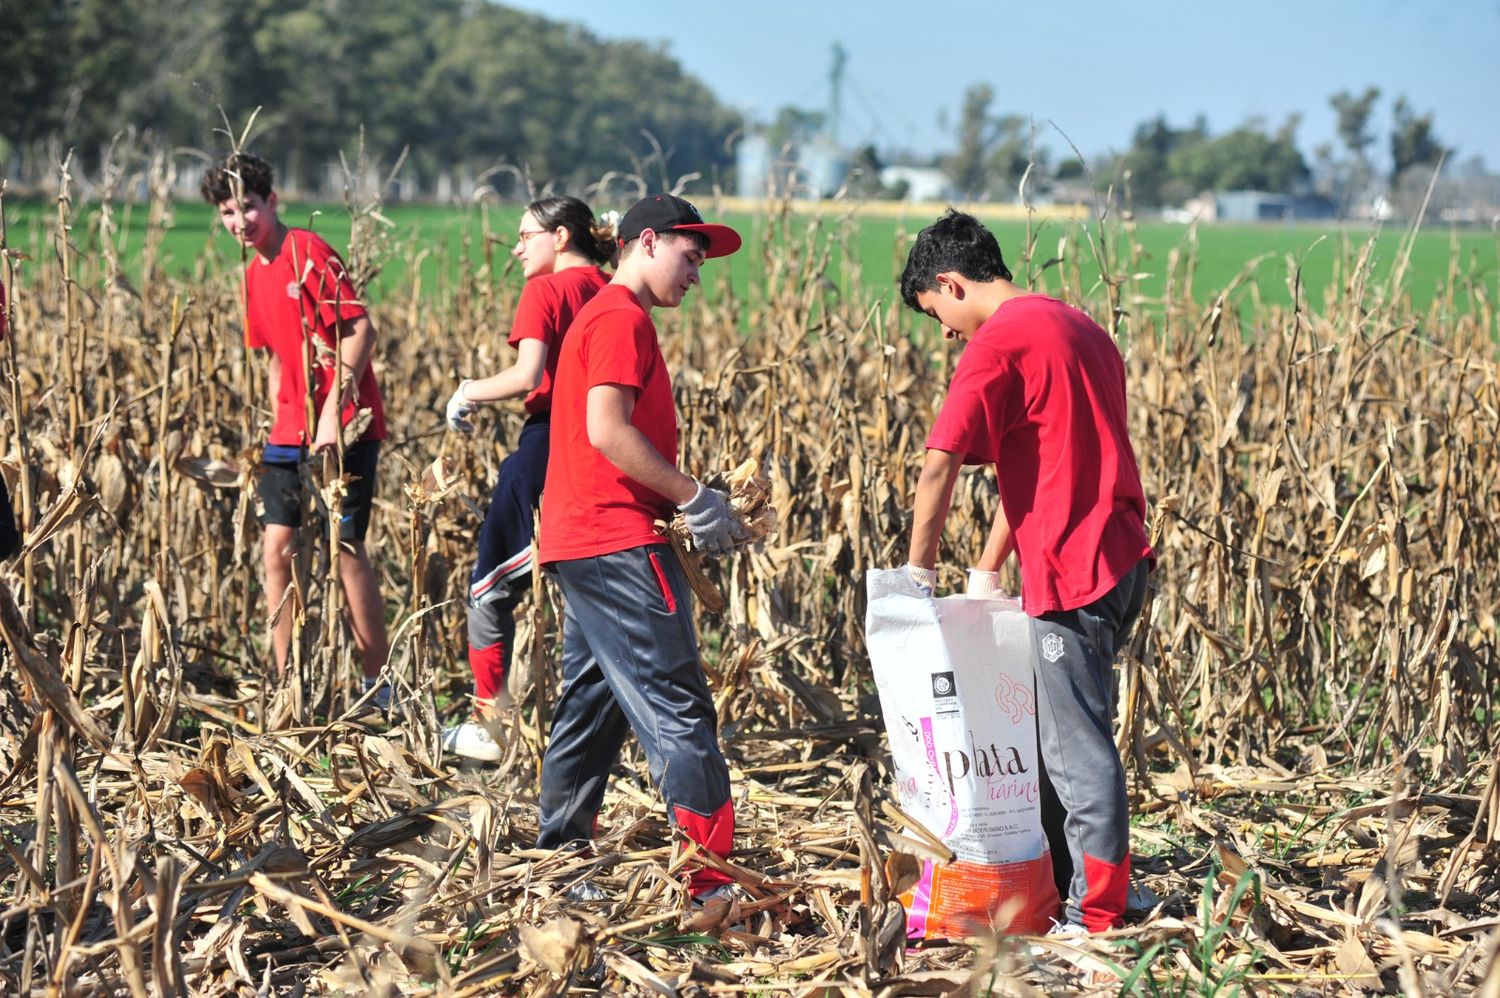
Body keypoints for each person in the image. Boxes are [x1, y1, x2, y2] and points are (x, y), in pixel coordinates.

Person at [901, 210, 1154, 935]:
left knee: (1074, 749)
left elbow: (938, 462)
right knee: (1061, 735)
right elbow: (1046, 459)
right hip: (1121, 552)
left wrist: (918, 576)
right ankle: (1078, 883)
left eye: (936, 314)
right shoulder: (1080, 328)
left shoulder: (999, 341)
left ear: (951, 283)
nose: (947, 334)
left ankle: (1098, 913)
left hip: (1075, 566)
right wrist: (985, 568)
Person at [534, 194, 745, 898]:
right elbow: (608, 431)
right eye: (692, 257)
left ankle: (561, 865)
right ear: (646, 242)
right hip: (618, 542)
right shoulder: (623, 318)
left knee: (591, 705)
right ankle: (711, 883)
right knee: (679, 708)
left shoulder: (605, 316)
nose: (698, 274)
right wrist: (691, 496)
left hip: (580, 541)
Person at [200, 152, 391, 707]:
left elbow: (360, 331)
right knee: (276, 548)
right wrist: (271, 426)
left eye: (249, 207)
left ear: (272, 201)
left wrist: (333, 410)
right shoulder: (253, 273)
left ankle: (377, 686)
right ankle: (287, 682)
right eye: (228, 212)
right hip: (288, 431)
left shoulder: (306, 252)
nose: (240, 222)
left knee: (346, 548)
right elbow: (278, 360)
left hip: (342, 426)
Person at [439, 196, 615, 762]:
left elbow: (528, 374)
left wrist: (466, 392)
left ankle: (489, 729)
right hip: (605, 449)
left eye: (524, 236)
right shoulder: (612, 288)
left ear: (560, 237)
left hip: (546, 446)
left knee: (489, 589)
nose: (515, 248)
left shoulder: (547, 290)